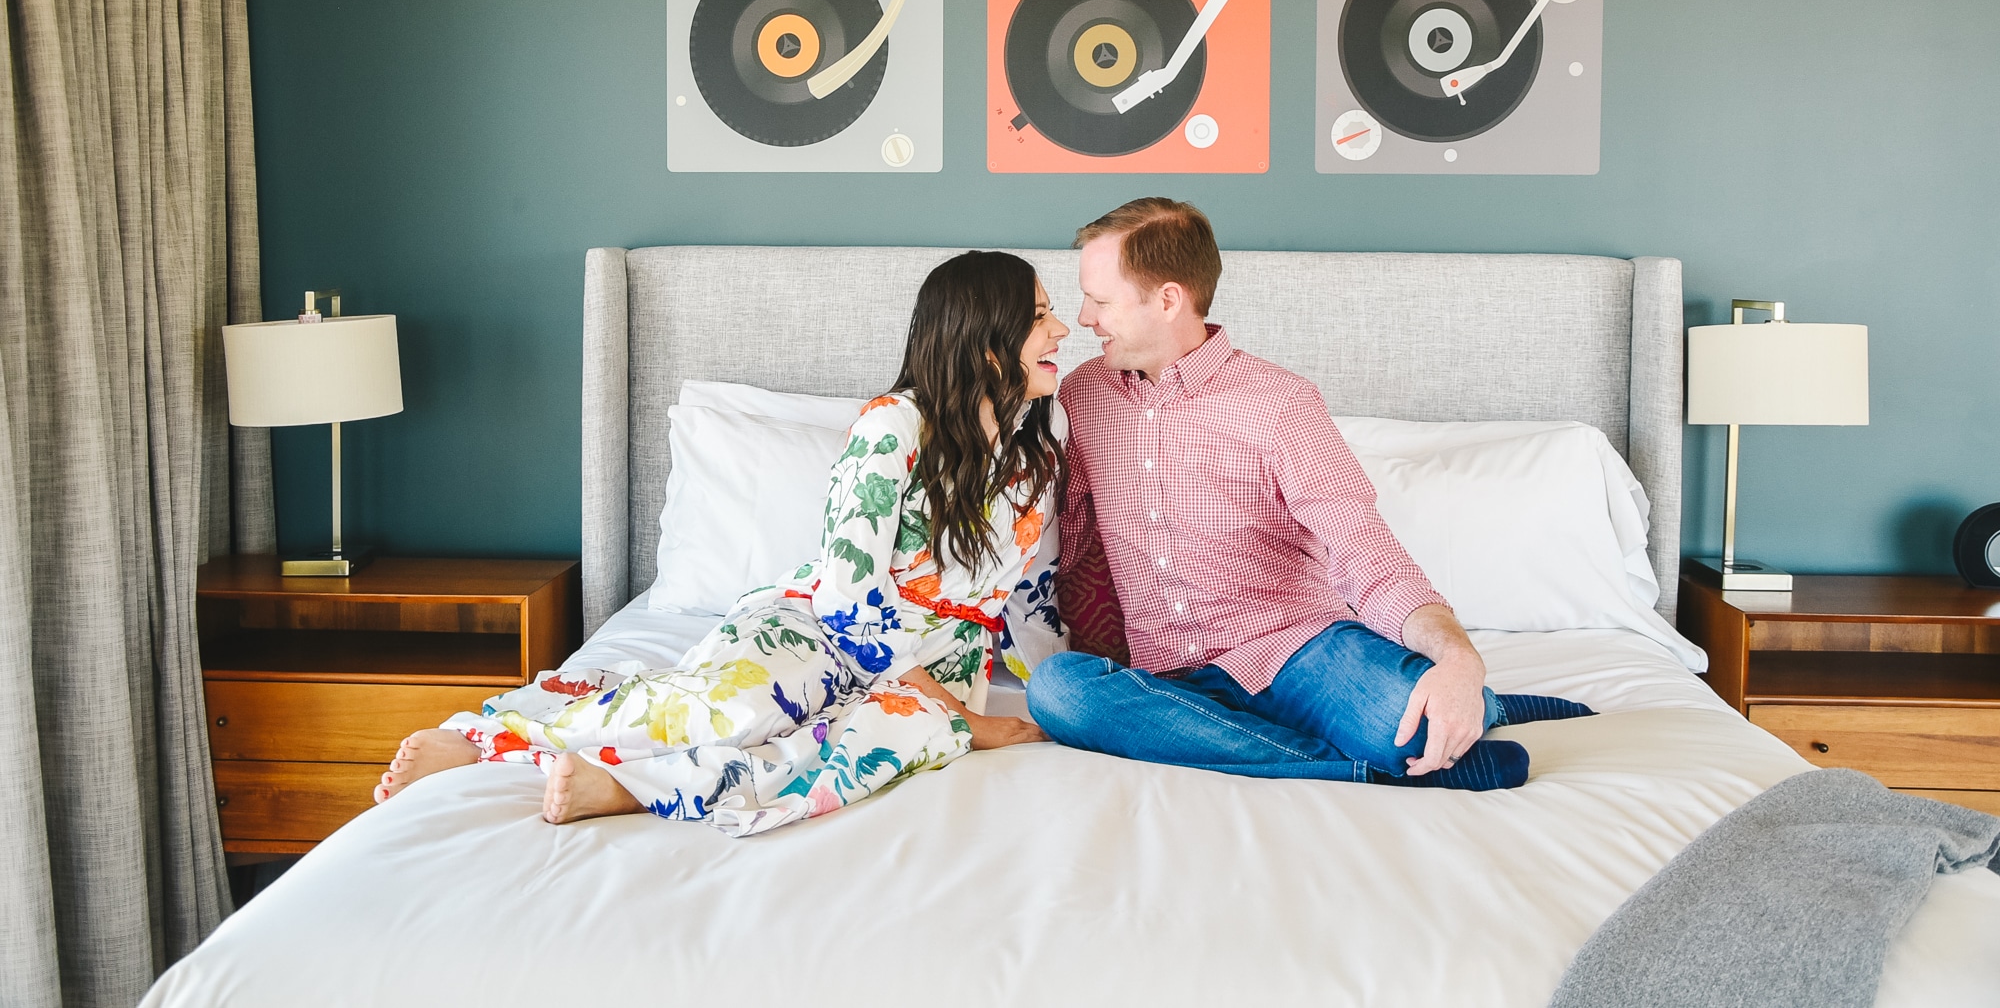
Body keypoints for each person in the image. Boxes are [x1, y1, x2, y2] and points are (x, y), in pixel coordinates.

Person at [372, 251, 1069, 836]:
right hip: (827, 628)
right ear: (985, 340)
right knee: (747, 705)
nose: (1062, 329)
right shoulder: (893, 426)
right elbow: (848, 587)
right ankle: (483, 738)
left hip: (945, 659)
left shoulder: (1039, 447)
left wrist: (1043, 689)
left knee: (880, 742)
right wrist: (962, 720)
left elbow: (1027, 591)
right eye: (1040, 318)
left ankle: (634, 785)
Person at [1026, 198, 1590, 791]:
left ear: (1168, 299)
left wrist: (1458, 661)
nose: (1083, 319)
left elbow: (1366, 554)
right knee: (1058, 691)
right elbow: (1070, 541)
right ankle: (1355, 770)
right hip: (1165, 676)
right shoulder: (1081, 396)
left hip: (1297, 654)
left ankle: (1484, 702)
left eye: (1101, 300)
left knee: (1421, 730)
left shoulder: (1280, 403)